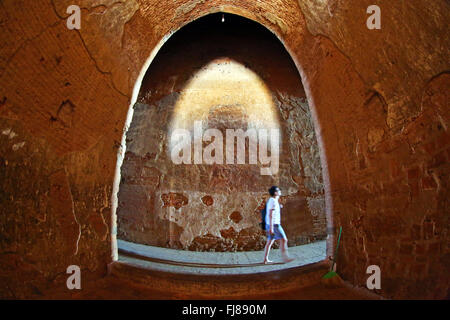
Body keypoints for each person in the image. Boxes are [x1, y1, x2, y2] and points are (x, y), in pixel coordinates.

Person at [263, 186, 295, 264]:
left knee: (270, 242)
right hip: (274, 225)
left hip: (271, 224)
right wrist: (271, 228)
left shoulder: (273, 200)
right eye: (279, 190)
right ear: (275, 192)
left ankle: (265, 259)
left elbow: (272, 211)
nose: (280, 191)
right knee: (284, 240)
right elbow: (270, 214)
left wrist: (279, 206)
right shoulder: (273, 201)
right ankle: (285, 258)